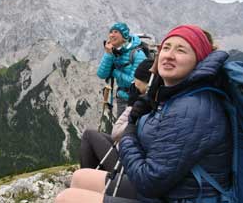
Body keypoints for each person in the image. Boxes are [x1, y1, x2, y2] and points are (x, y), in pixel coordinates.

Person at [55, 25, 232, 203]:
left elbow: (148, 181)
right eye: (167, 47)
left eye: (181, 50)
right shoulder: (178, 96)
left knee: (67, 198)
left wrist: (129, 132)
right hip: (172, 190)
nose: (169, 54)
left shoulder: (191, 108)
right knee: (79, 177)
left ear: (198, 60)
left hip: (178, 196)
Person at [80, 59, 154, 172]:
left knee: (89, 135)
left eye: (136, 79)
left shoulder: (145, 106)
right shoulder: (153, 102)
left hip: (129, 166)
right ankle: (92, 177)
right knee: (98, 136)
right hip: (131, 154)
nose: (133, 83)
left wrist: (131, 106)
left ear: (146, 83)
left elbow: (116, 134)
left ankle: (87, 179)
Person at [97, 22, 147, 118]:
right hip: (121, 98)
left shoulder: (138, 54)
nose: (112, 35)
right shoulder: (114, 52)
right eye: (111, 32)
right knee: (120, 130)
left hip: (136, 100)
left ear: (124, 35)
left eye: (116, 32)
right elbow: (101, 74)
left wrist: (115, 72)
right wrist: (108, 54)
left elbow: (134, 82)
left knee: (129, 129)